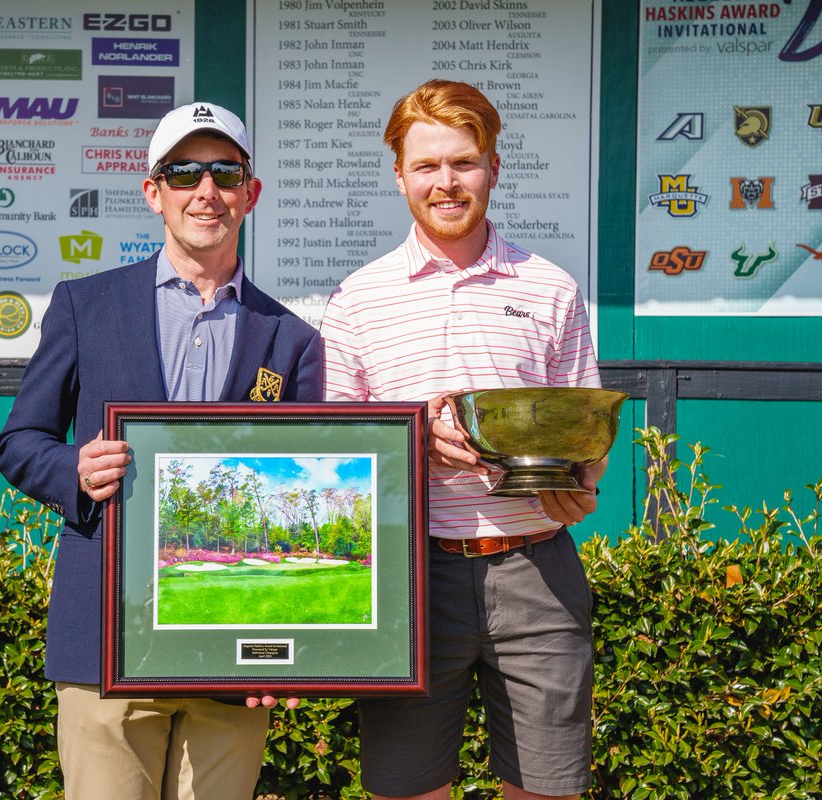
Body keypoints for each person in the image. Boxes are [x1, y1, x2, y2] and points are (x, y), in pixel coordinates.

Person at [0, 101, 322, 800]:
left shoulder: (291, 339)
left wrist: (288, 652)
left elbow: (298, 504)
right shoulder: (85, 306)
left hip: (234, 655)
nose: (206, 191)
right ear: (154, 191)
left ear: (250, 193)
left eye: (225, 173)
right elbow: (21, 441)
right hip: (107, 639)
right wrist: (74, 470)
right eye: (184, 172)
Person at [320, 79, 604, 800]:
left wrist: (580, 483)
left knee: (548, 789)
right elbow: (332, 459)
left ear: (493, 168)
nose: (446, 183)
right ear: (399, 177)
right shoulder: (358, 299)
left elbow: (581, 432)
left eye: (463, 162)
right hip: (405, 580)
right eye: (426, 166)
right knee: (406, 791)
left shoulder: (551, 289)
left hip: (536, 571)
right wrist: (412, 439)